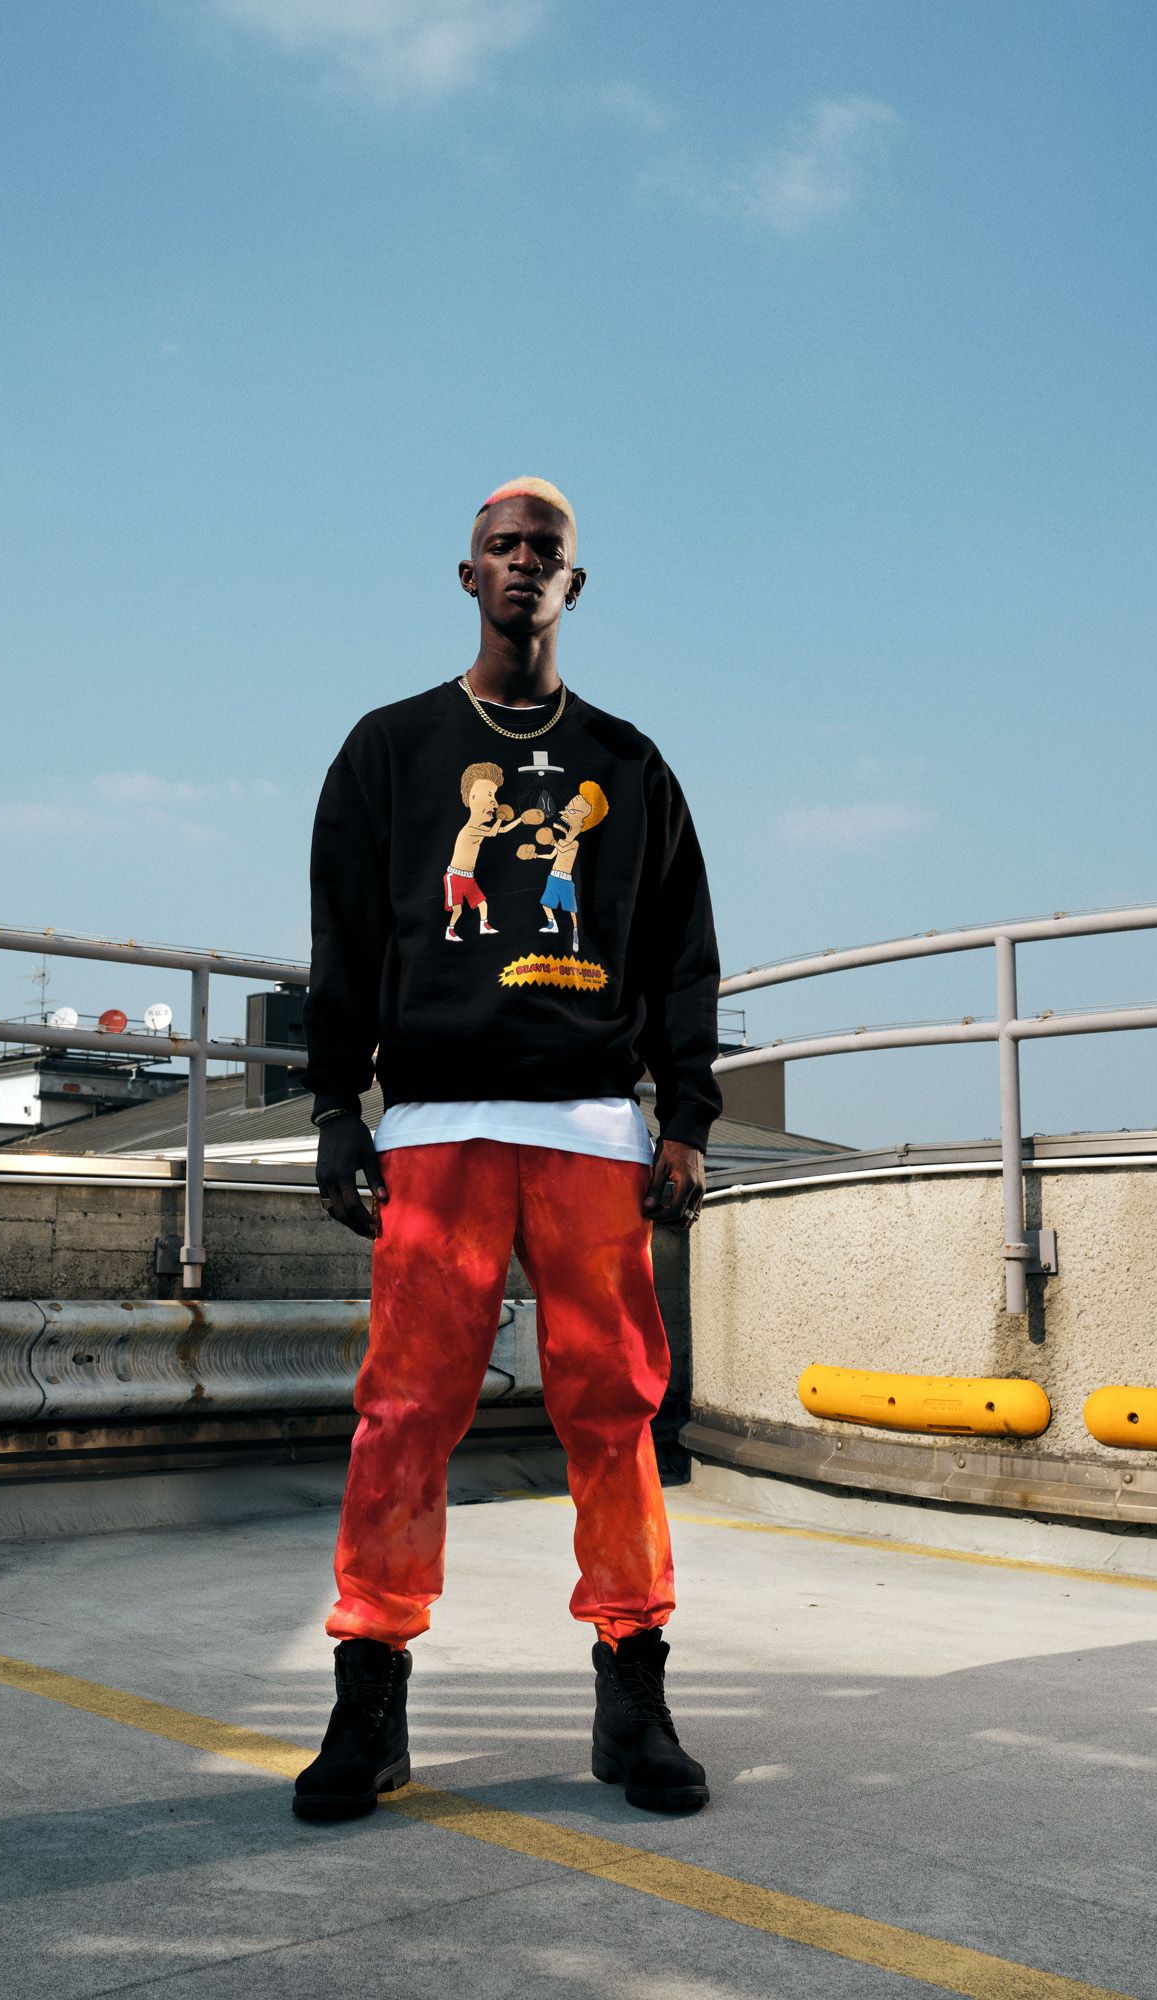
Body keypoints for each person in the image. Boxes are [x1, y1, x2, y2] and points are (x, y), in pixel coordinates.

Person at [293, 476, 721, 1823]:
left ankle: (633, 1691)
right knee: (404, 1414)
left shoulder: (630, 763)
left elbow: (682, 951)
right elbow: (344, 939)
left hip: (590, 1125)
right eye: (501, 545)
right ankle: (369, 1701)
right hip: (436, 1125)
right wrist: (333, 1107)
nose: (524, 561)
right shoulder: (390, 750)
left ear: (573, 585)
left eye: (547, 548)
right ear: (468, 573)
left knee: (616, 1411)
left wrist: (687, 1118)